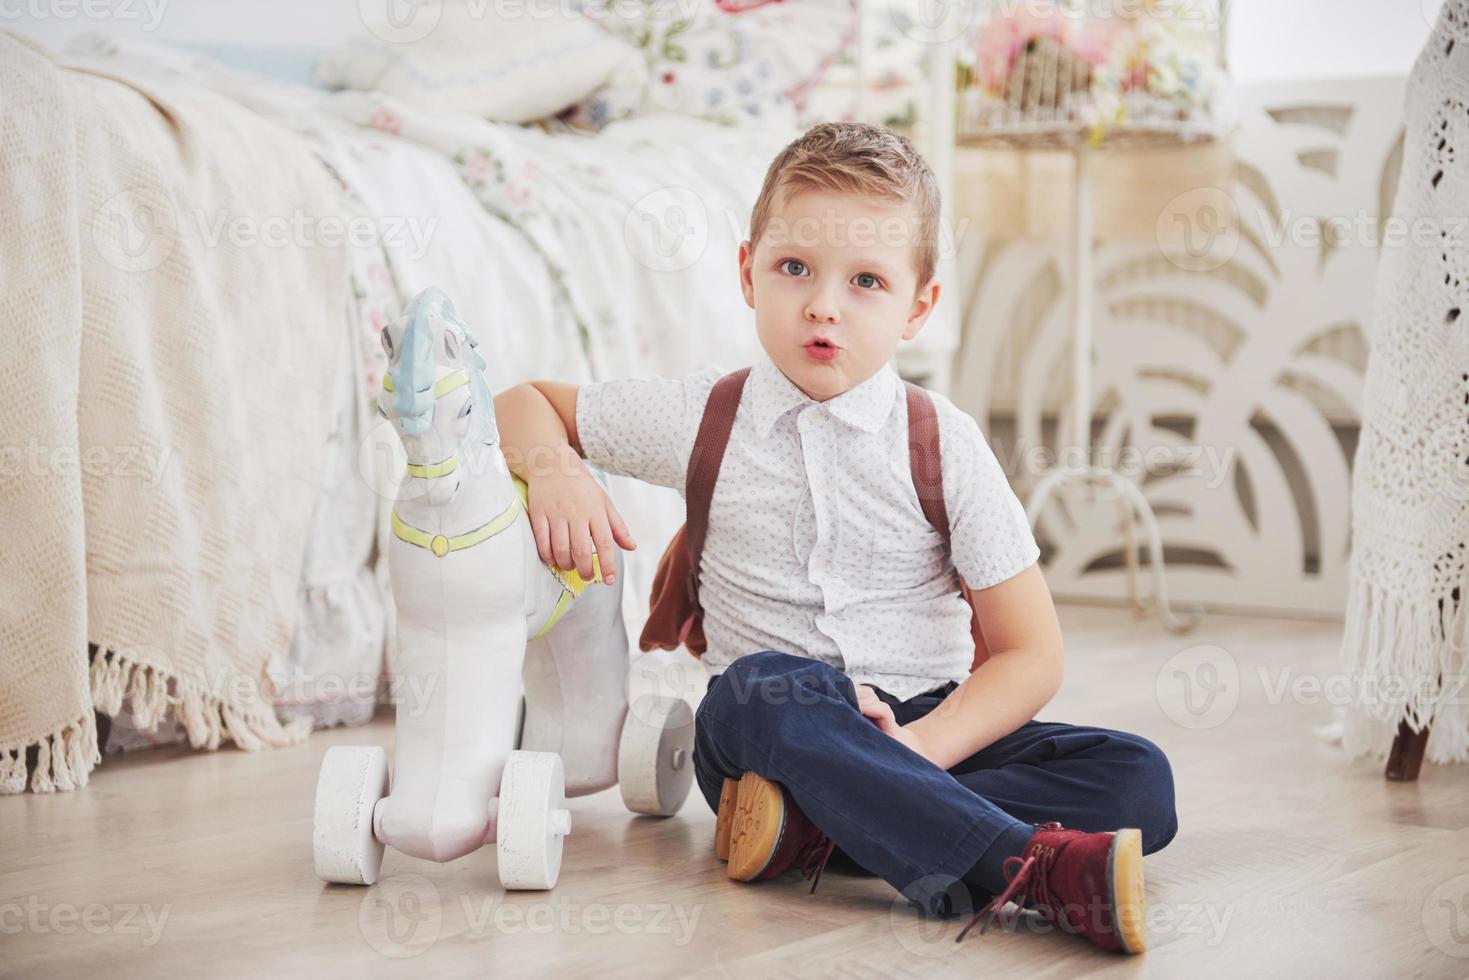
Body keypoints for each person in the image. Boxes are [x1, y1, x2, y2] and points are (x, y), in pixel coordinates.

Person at [493, 122, 1177, 954]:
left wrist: (920, 748)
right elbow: (524, 402)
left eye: (865, 281)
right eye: (794, 269)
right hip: (776, 726)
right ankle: (1023, 868)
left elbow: (1029, 654)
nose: (823, 304)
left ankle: (811, 831)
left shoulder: (942, 442)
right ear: (748, 273)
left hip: (925, 722)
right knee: (758, 686)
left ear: (916, 307)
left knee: (1139, 781)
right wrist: (558, 472)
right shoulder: (703, 416)